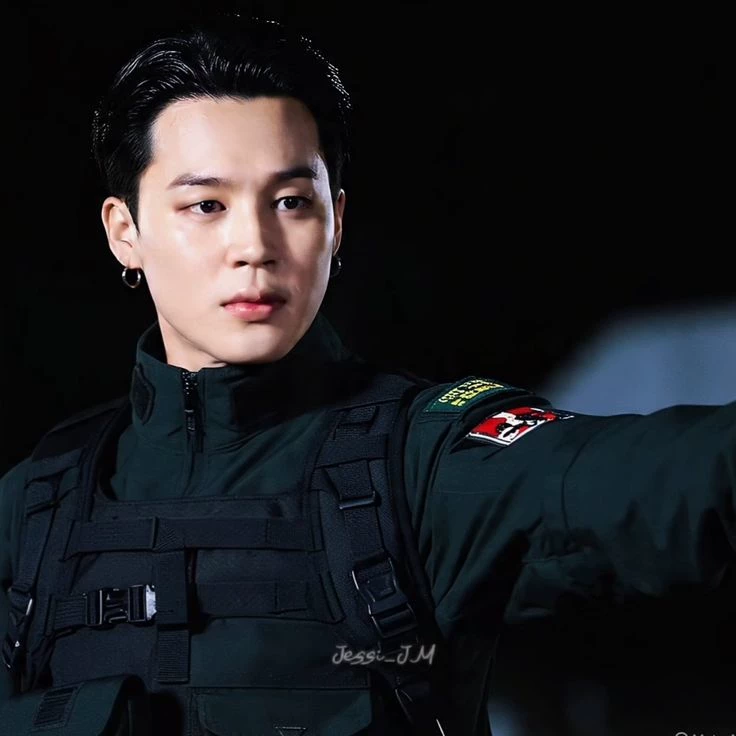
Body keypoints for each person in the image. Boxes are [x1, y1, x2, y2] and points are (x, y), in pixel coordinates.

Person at [0, 15, 734, 736]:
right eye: (207, 205)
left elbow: (663, 478)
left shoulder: (419, 463)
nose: (254, 244)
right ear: (124, 231)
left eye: (291, 202)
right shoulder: (36, 508)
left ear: (337, 221)